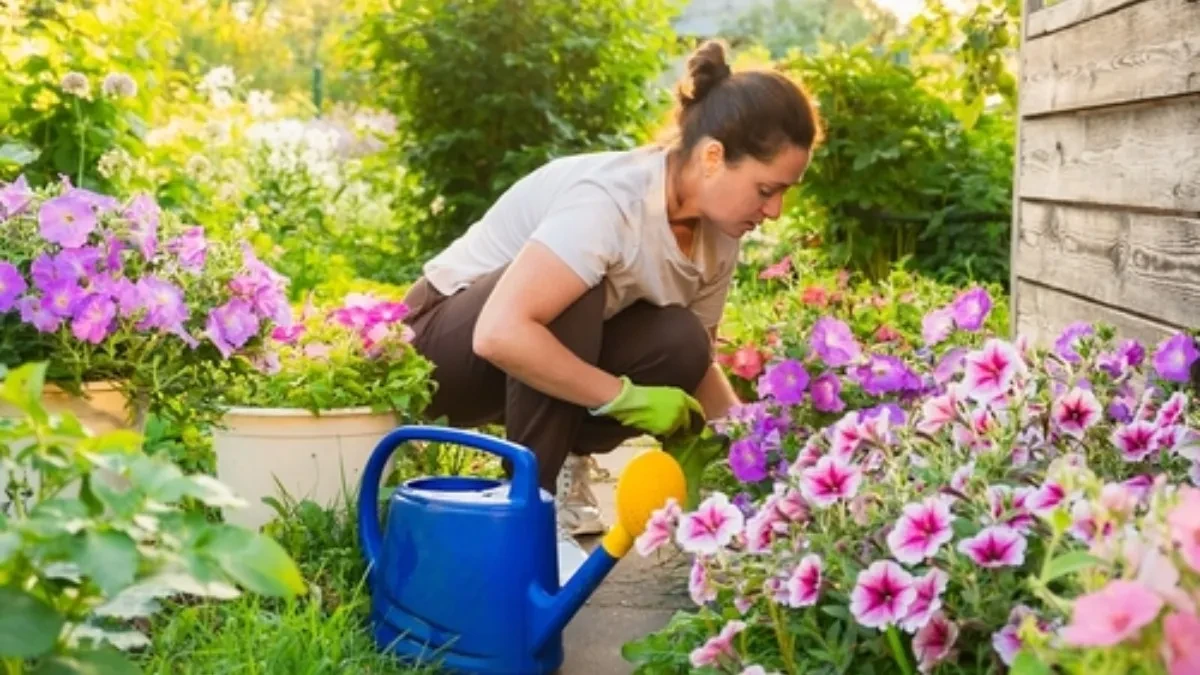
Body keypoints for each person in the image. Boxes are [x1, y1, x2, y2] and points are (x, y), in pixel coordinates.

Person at [400, 39, 822, 583]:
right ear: (714, 156)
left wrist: (752, 460)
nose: (775, 210)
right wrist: (625, 398)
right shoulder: (612, 201)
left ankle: (560, 462)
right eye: (766, 189)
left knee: (682, 340)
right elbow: (499, 334)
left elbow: (697, 361)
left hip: (523, 365)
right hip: (440, 351)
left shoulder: (719, 235)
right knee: (577, 290)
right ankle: (529, 507)